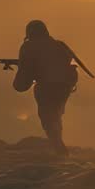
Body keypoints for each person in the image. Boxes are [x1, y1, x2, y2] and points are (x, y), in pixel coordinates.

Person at [11, 20, 80, 156]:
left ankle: (59, 149)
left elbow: (23, 79)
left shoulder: (29, 46)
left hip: (47, 88)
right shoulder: (59, 45)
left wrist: (21, 69)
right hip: (64, 87)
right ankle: (58, 145)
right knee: (55, 115)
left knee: (48, 117)